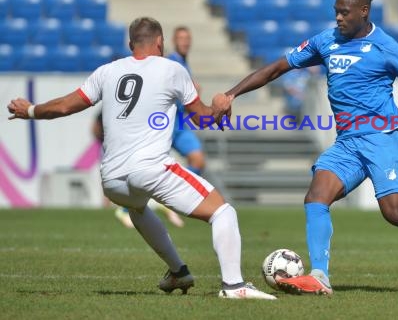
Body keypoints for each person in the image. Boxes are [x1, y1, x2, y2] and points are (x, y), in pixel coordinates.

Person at [220, 0, 398, 295]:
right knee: (316, 197)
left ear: (364, 11)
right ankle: (320, 276)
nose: (338, 17)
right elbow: (276, 69)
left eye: (345, 12)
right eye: (336, 10)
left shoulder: (386, 46)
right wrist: (231, 95)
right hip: (347, 142)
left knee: (395, 213)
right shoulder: (326, 41)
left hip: (383, 138)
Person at [7, 17, 276, 300]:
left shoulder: (107, 71)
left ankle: (178, 272)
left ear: (129, 44)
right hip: (150, 168)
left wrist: (32, 110)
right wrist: (223, 103)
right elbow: (203, 116)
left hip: (111, 180)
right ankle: (234, 286)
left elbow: (63, 106)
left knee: (137, 209)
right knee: (223, 212)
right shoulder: (173, 69)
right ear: (160, 42)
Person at [92, 111, 185, 229]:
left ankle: (156, 206)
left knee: (144, 176)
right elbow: (96, 126)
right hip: (116, 147)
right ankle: (124, 209)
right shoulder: (111, 107)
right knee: (124, 178)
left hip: (130, 146)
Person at [167, 26, 205, 176]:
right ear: (174, 41)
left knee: (198, 160)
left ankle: (178, 193)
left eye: (187, 39)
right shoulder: (171, 62)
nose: (184, 42)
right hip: (165, 123)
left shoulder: (183, 63)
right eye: (181, 39)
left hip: (180, 123)